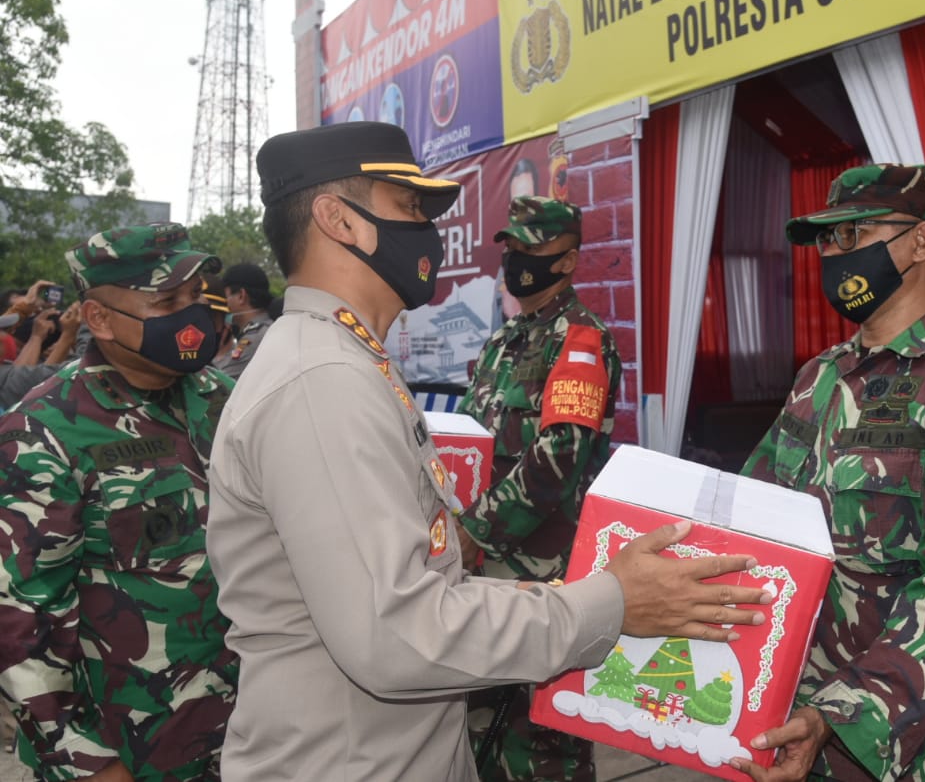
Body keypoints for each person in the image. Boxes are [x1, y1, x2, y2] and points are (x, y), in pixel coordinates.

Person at [206, 121, 770, 782]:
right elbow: (399, 631)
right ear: (340, 221)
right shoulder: (321, 382)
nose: (428, 231)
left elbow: (552, 460)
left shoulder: (347, 364)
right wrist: (610, 602)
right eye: (410, 208)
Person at [730, 165, 925, 782]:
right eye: (828, 240)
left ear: (919, 243)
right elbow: (747, 514)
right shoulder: (819, 377)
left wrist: (837, 718)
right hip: (783, 697)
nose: (835, 254)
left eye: (854, 234)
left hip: (893, 738)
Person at [0, 223, 238, 780]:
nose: (191, 315)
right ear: (100, 318)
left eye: (194, 298)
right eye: (167, 302)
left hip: (252, 734)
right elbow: (18, 618)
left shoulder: (228, 402)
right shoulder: (44, 429)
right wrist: (87, 763)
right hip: (130, 750)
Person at [457, 196, 621, 781]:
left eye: (533, 249)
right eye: (512, 247)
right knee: (479, 735)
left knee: (542, 745)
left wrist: (472, 530)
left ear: (570, 259)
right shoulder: (502, 344)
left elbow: (559, 457)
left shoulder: (580, 341)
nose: (518, 258)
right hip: (485, 578)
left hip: (545, 573)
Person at [212, 262, 274, 378]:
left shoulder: (254, 338)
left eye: (226, 297)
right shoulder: (268, 328)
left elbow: (222, 381)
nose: (225, 304)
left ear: (241, 296)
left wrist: (220, 353)